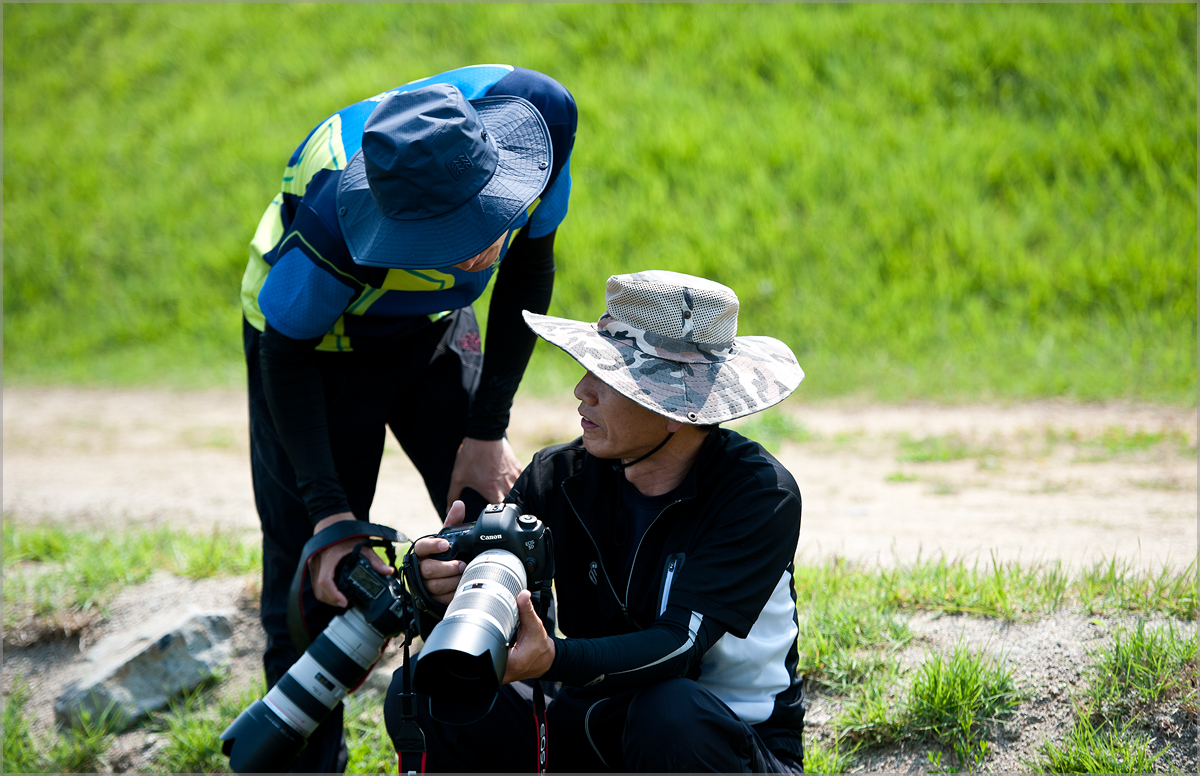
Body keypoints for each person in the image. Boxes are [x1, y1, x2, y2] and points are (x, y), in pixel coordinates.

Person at [240, 64, 577, 772]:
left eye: (482, 219)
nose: (476, 250)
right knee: (319, 584)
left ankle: (515, 751)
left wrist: (487, 429)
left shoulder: (541, 124)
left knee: (495, 536)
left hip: (430, 329)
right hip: (314, 354)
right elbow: (285, 351)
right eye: (449, 236)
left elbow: (527, 266)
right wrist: (330, 517)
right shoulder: (332, 224)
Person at [389, 270, 808, 773]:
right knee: (423, 690)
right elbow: (495, 619)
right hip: (588, 726)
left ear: (675, 408)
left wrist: (555, 659)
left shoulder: (759, 494)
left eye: (608, 376)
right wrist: (437, 585)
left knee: (667, 711)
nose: (581, 390)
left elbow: (679, 647)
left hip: (725, 739)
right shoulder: (556, 477)